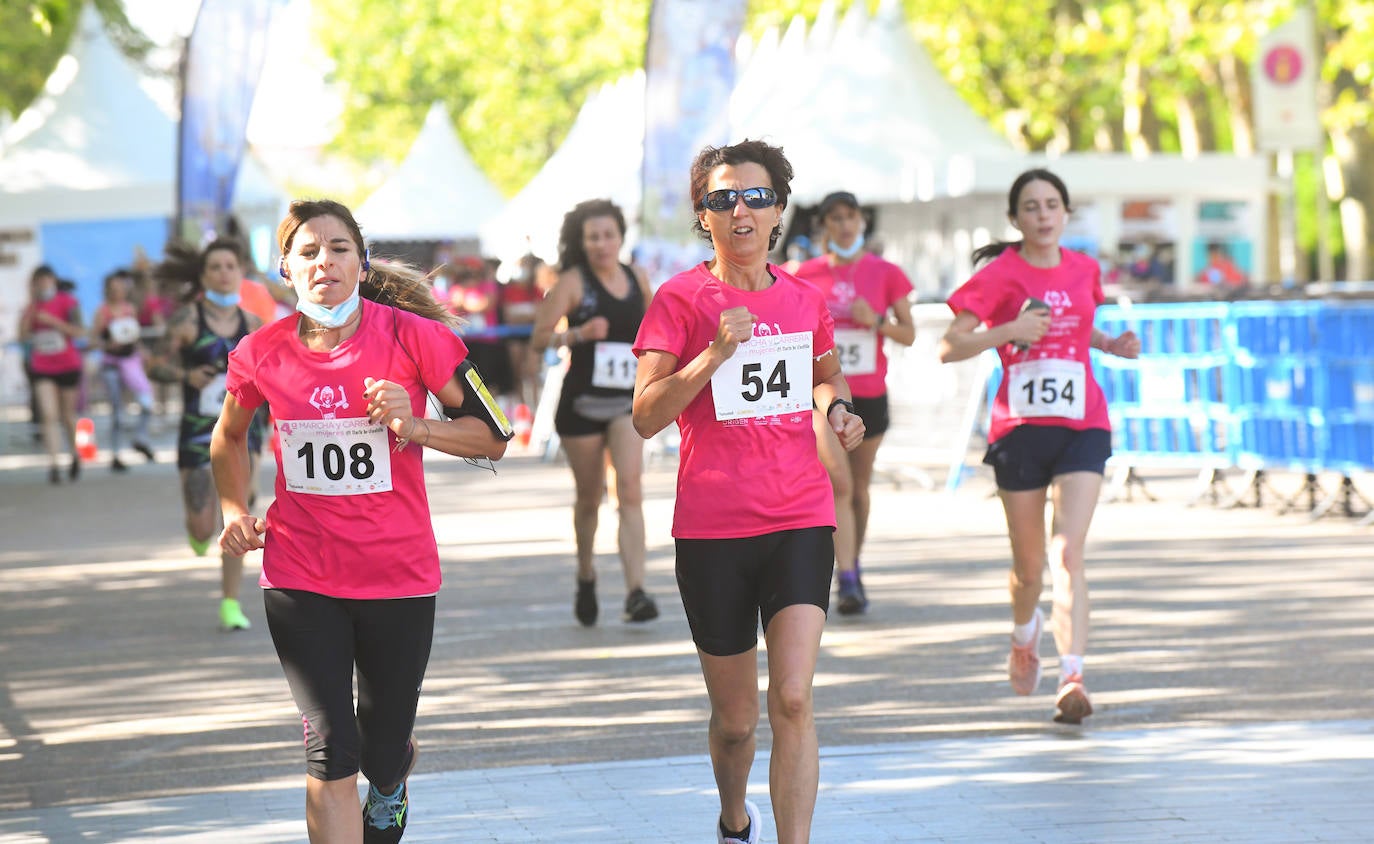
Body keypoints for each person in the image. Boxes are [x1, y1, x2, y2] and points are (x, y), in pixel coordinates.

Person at [211, 199, 511, 843]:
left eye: (340, 248)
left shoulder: (416, 337)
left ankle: (393, 774)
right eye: (309, 251)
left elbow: (495, 435)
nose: (326, 261)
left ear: (362, 261)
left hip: (397, 575)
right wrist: (236, 510)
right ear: (285, 269)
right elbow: (227, 438)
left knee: (378, 749)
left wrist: (416, 423)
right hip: (300, 575)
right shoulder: (262, 352)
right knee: (330, 749)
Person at [632, 140, 864, 844]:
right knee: (736, 724)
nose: (740, 209)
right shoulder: (679, 299)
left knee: (792, 697)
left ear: (778, 212)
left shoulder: (804, 299)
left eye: (755, 197)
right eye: (723, 198)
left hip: (798, 514)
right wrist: (712, 355)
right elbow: (645, 416)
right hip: (712, 528)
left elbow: (825, 374)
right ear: (704, 216)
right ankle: (734, 819)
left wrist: (837, 410)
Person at [937, 169, 1140, 725]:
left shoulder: (1085, 269)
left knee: (1067, 553)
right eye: (1032, 207)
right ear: (1015, 219)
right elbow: (948, 347)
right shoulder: (1001, 275)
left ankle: (1071, 674)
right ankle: (1024, 636)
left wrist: (1111, 345)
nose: (1044, 215)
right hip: (1020, 430)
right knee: (1029, 568)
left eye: (1053, 205)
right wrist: (1008, 332)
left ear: (1066, 213)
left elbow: (1079, 329)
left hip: (1083, 423)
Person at [532, 199, 659, 627]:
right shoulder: (572, 282)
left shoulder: (636, 277)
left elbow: (656, 327)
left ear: (621, 237)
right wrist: (579, 334)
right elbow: (538, 339)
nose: (602, 244)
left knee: (630, 487)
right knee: (590, 498)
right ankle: (586, 574)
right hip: (582, 404)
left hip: (627, 401)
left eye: (609, 235)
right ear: (582, 242)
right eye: (593, 237)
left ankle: (636, 590)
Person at [794, 191, 915, 614]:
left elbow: (910, 333)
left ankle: (853, 563)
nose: (844, 226)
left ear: (862, 222)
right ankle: (845, 577)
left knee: (859, 489)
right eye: (835, 219)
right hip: (825, 394)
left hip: (870, 393)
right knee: (838, 485)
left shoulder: (886, 273)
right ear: (824, 226)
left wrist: (876, 322)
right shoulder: (805, 274)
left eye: (851, 217)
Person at [152, 239, 266, 631]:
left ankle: (230, 603)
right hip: (199, 431)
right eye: (215, 266)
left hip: (244, 431)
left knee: (239, 516)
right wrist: (185, 375)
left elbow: (274, 374)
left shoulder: (253, 325)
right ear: (203, 276)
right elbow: (154, 365)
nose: (223, 272)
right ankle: (198, 533)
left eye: (229, 265)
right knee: (203, 524)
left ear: (240, 272)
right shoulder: (186, 320)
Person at [17, 265, 85, 484]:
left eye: (47, 280)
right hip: (42, 366)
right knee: (48, 414)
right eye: (40, 282)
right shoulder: (32, 306)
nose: (44, 285)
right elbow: (22, 336)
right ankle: (54, 463)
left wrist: (53, 322)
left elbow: (79, 330)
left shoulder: (68, 302)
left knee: (67, 415)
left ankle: (75, 454)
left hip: (67, 364)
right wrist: (31, 312)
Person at [89, 268, 157, 471]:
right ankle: (116, 453)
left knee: (146, 402)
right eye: (114, 289)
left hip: (131, 363)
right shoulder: (102, 312)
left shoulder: (130, 309)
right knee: (117, 411)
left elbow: (134, 337)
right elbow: (94, 340)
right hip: (112, 364)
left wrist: (142, 351)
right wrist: (108, 346)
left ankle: (140, 437)